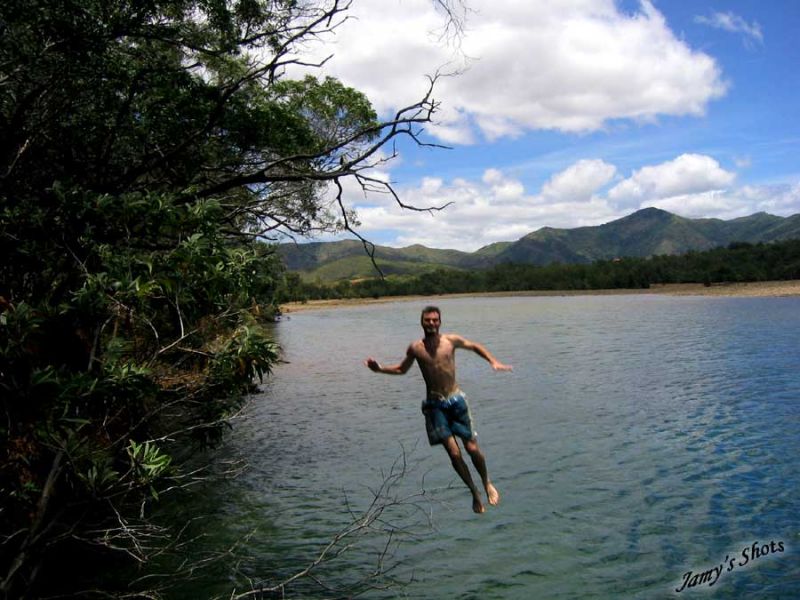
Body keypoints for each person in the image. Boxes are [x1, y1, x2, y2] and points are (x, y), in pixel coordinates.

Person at [364, 306, 512, 514]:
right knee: (453, 453)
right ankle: (474, 492)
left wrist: (493, 361)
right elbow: (401, 369)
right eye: (428, 320)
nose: (431, 323)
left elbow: (474, 346)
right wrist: (379, 369)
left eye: (435, 320)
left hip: (456, 400)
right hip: (435, 406)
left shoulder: (450, 341)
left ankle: (487, 482)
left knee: (471, 448)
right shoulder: (416, 348)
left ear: (440, 322)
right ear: (422, 322)